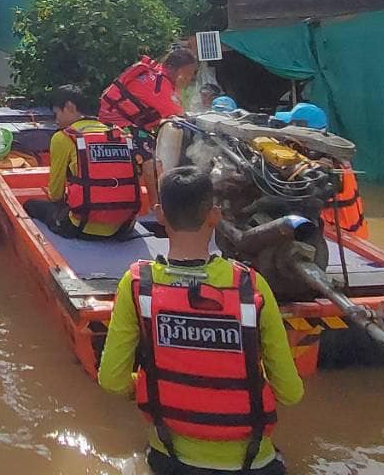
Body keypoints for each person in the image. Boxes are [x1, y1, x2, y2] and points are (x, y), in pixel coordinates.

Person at [99, 166, 303, 475]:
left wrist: (147, 384)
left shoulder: (137, 284)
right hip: (254, 464)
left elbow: (111, 381)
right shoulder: (251, 285)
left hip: (171, 461)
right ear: (215, 215)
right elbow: (290, 392)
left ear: (160, 214)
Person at [25, 85, 141, 239]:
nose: (56, 120)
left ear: (69, 107)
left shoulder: (64, 137)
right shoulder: (120, 134)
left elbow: (55, 194)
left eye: (56, 113)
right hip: (123, 226)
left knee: (30, 206)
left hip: (81, 228)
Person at [274, 103, 367, 239]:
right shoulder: (328, 154)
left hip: (343, 239)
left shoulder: (326, 166)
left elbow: (298, 199)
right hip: (347, 233)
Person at [101, 48, 199, 134]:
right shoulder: (159, 88)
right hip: (119, 127)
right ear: (170, 68)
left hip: (116, 121)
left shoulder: (156, 73)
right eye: (187, 73)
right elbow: (181, 118)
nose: (189, 78)